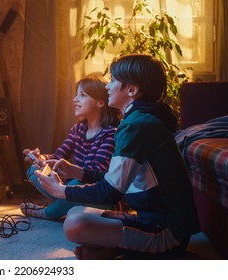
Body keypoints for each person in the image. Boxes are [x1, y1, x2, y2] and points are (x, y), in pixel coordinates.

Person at [34, 54, 200, 259]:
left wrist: (61, 191)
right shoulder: (139, 119)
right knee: (75, 213)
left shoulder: (137, 125)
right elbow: (117, 179)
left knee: (74, 224)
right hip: (155, 221)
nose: (107, 86)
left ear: (131, 90)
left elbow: (110, 193)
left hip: (167, 232)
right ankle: (117, 250)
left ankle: (128, 250)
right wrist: (78, 172)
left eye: (112, 80)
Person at [22, 74, 122, 220]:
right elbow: (59, 155)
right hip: (75, 188)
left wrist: (70, 173)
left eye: (82, 95)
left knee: (77, 183)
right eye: (76, 95)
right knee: (34, 171)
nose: (75, 99)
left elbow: (96, 174)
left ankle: (49, 212)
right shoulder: (78, 129)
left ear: (100, 103)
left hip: (98, 195)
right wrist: (40, 158)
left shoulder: (110, 134)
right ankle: (64, 204)